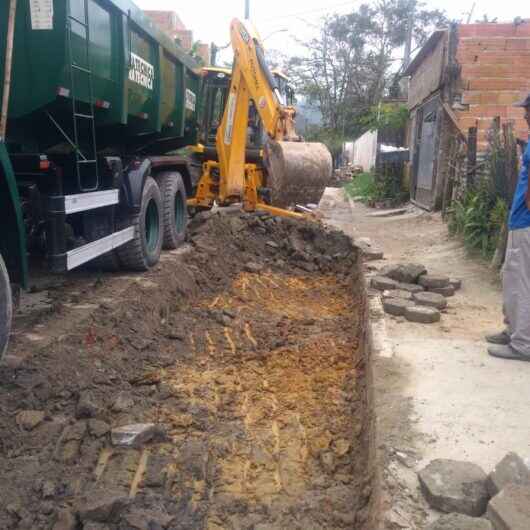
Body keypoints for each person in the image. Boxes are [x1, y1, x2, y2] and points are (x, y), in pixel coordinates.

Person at [486, 94, 530, 361]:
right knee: (512, 277)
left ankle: (522, 343)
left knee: (518, 283)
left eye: (527, 110)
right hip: (522, 224)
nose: (525, 115)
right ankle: (513, 329)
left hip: (525, 225)